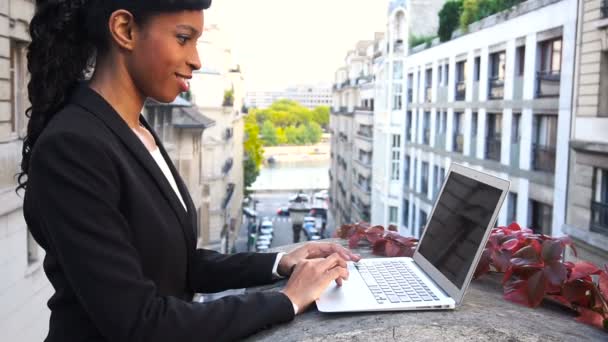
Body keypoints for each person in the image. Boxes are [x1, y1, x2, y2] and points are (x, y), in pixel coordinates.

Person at [18, 1, 359, 341]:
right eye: (183, 38)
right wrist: (286, 300)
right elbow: (138, 322)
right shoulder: (73, 146)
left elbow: (176, 265)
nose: (196, 60)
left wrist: (280, 262)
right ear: (125, 30)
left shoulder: (135, 130)